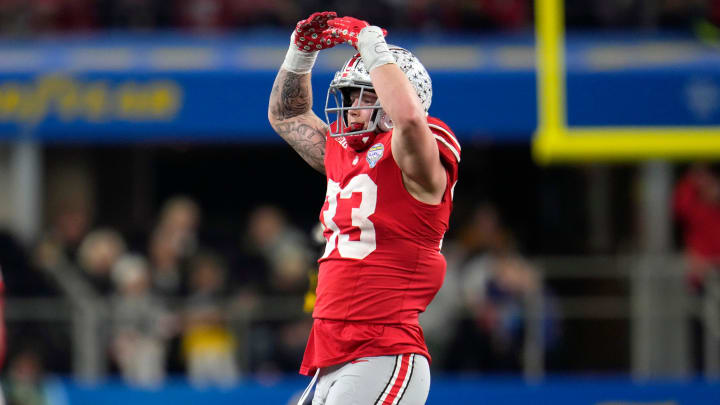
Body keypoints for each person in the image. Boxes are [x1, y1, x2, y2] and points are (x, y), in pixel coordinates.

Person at [268, 11, 460, 405]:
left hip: (384, 349)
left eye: (366, 94)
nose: (353, 106)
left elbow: (408, 119)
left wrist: (372, 47)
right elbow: (286, 115)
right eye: (350, 95)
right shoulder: (345, 152)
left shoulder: (415, 154)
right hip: (333, 350)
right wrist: (299, 54)